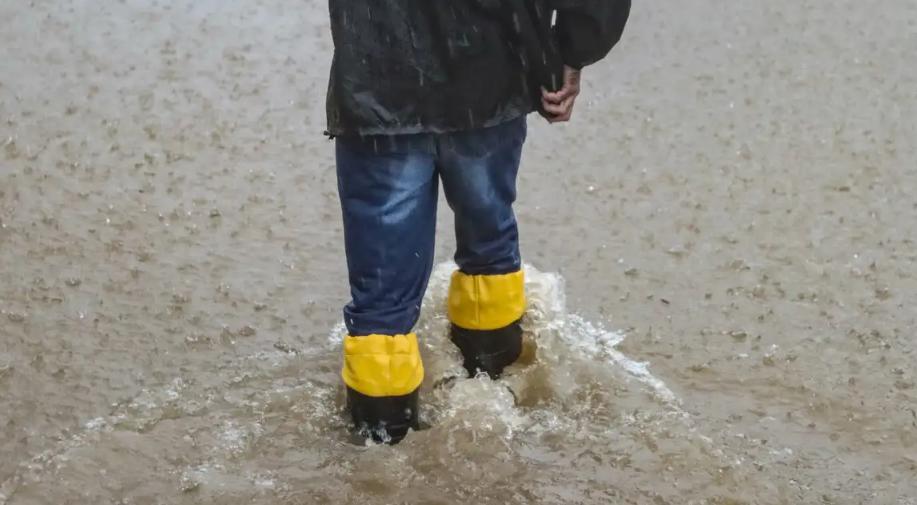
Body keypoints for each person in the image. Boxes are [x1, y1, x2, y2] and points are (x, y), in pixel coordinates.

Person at [326, 0, 631, 443]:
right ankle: (494, 395)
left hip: (377, 83)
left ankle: (378, 450)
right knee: (489, 248)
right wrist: (570, 52)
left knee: (381, 305)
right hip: (490, 75)